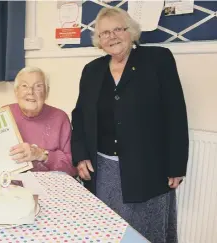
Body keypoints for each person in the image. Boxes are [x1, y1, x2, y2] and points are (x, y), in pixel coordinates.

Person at [70, 7, 189, 243]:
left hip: (148, 168)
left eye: (118, 29)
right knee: (109, 232)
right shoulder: (91, 70)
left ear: (131, 32)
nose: (112, 36)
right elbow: (80, 115)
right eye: (105, 33)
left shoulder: (158, 59)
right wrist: (80, 155)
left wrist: (176, 164)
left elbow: (175, 112)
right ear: (99, 40)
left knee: (146, 232)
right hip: (103, 169)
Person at [0, 67, 77, 177]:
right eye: (25, 86)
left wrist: (40, 154)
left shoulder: (59, 118)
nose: (30, 92)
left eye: (38, 86)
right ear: (16, 91)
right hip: (11, 184)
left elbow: (72, 168)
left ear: (46, 92)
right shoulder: (4, 113)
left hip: (50, 186)